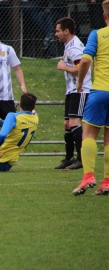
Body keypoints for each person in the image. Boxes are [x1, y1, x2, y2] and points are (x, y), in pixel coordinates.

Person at [72, 0, 109, 196]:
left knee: (89, 136)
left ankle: (88, 176)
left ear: (105, 17)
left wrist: (79, 83)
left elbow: (85, 60)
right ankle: (107, 182)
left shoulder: (98, 34)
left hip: (100, 91)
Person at [54, 17, 92, 170]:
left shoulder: (75, 47)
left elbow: (81, 69)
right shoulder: (68, 45)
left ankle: (81, 159)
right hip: (71, 91)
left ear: (66, 31)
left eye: (58, 31)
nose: (56, 34)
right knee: (67, 124)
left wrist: (64, 67)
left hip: (80, 90)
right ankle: (69, 158)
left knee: (75, 123)